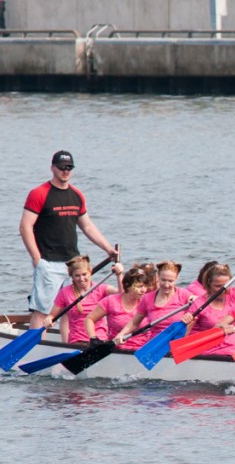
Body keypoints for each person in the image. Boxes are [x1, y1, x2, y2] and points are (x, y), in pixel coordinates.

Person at [19, 150, 118, 331]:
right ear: (53, 168)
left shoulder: (77, 195)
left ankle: (67, 347)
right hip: (48, 262)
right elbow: (25, 227)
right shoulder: (39, 193)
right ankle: (33, 348)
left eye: (69, 167)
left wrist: (108, 249)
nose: (66, 171)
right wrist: (36, 259)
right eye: (62, 167)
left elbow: (87, 226)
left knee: (68, 309)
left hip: (72, 264)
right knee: (42, 311)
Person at [114, 260, 194, 345]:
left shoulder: (184, 295)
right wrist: (121, 334)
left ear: (176, 279)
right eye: (163, 280)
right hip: (155, 344)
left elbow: (200, 304)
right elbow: (134, 322)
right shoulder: (147, 298)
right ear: (158, 277)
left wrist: (191, 311)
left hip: (178, 343)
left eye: (171, 281)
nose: (166, 285)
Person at [44, 255, 121, 343]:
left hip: (99, 340)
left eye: (84, 274)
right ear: (71, 276)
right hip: (77, 341)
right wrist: (49, 320)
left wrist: (119, 275)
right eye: (77, 276)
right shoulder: (65, 292)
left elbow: (122, 294)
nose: (81, 279)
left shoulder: (101, 288)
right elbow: (52, 315)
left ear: (90, 272)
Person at [83, 264, 150, 350]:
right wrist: (93, 338)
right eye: (139, 286)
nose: (144, 290)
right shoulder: (111, 301)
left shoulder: (147, 302)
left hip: (142, 349)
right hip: (117, 348)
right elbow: (89, 319)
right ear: (127, 286)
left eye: (145, 286)